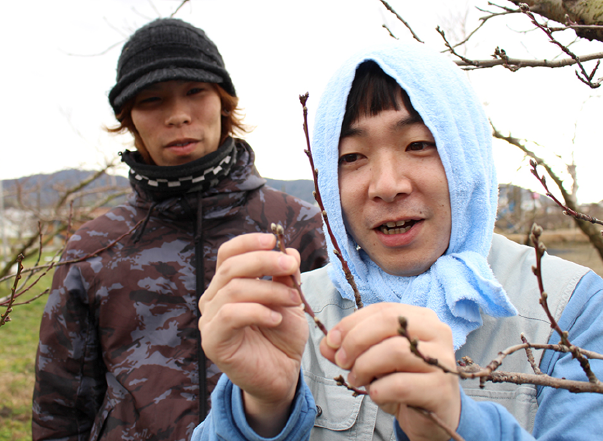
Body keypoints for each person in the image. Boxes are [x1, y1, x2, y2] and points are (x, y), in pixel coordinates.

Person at [192, 41, 603, 440]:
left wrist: (455, 422)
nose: (386, 186)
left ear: (467, 157)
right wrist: (263, 408)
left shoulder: (570, 307)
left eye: (419, 145)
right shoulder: (290, 312)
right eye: (352, 156)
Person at [31, 18, 328, 440]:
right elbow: (61, 403)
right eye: (152, 100)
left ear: (224, 102)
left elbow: (342, 382)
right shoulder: (95, 247)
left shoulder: (298, 227)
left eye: (195, 92)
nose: (178, 115)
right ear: (129, 119)